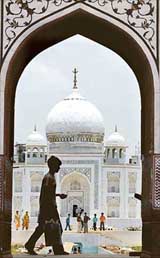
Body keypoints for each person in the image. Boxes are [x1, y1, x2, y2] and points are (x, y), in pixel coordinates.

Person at [25, 155, 69, 255]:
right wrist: (50, 208)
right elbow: (46, 194)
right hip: (49, 207)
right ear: (53, 166)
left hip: (48, 206)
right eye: (58, 165)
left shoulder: (50, 177)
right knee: (56, 227)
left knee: (43, 228)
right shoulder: (49, 178)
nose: (59, 168)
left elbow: (48, 193)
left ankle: (30, 244)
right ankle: (58, 249)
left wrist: (58, 195)